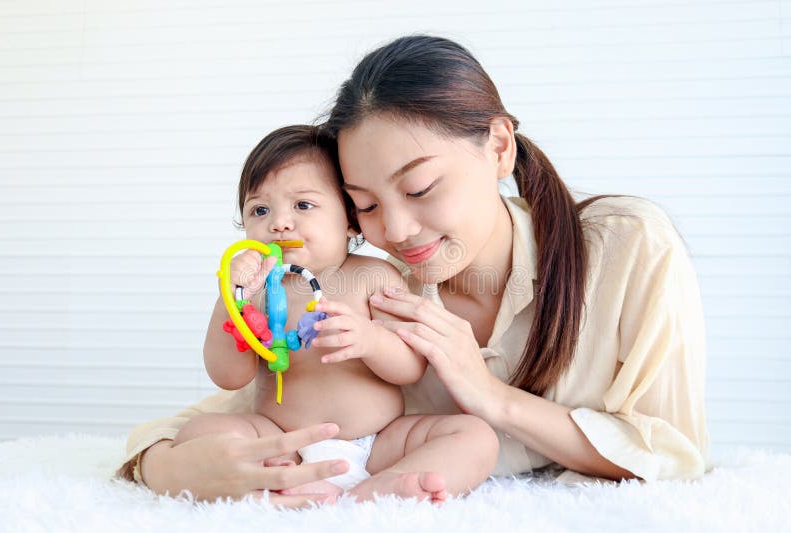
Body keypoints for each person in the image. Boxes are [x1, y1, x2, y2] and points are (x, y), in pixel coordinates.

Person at [117, 35, 710, 504]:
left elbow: (673, 453)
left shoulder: (626, 248)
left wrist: (490, 397)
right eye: (367, 206)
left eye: (421, 187)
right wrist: (165, 465)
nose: (396, 232)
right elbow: (234, 408)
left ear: (499, 146)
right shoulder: (367, 281)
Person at [150, 124, 499, 503]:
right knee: (197, 433)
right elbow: (228, 378)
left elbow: (412, 367)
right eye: (260, 210)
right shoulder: (258, 292)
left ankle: (382, 486)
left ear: (350, 221)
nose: (280, 223)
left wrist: (370, 340)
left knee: (475, 436)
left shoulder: (372, 275)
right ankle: (289, 477)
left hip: (379, 442)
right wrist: (230, 299)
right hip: (285, 442)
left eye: (303, 205)